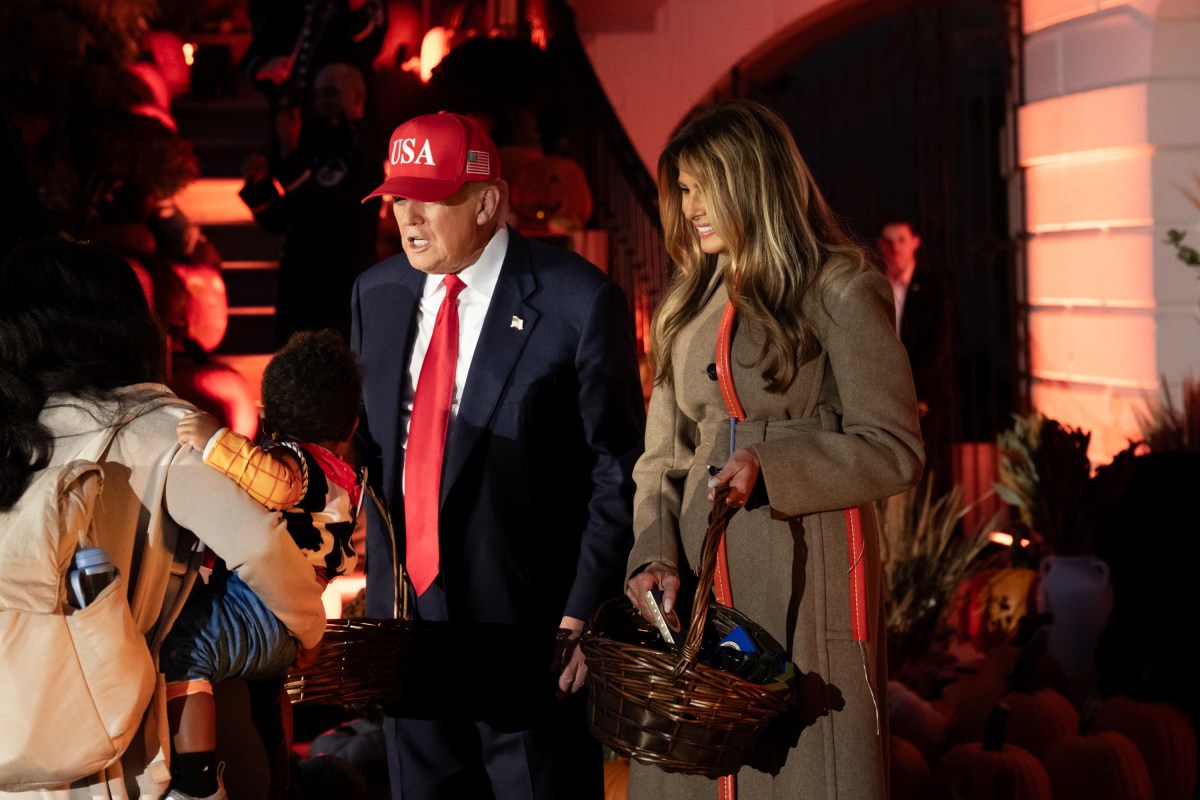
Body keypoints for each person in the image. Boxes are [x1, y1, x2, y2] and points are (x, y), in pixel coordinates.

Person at [623, 100, 924, 799]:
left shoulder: (842, 288)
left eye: (704, 186)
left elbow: (896, 447)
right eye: (685, 190)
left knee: (803, 769)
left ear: (751, 182)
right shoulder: (682, 308)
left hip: (810, 571)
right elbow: (660, 464)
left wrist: (776, 466)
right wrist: (653, 553)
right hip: (697, 585)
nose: (691, 206)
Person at [350, 111, 645, 800]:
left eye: (431, 198)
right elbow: (368, 447)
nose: (408, 216)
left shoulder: (579, 300)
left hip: (531, 637)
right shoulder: (376, 294)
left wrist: (582, 610)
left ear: (487, 202)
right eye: (397, 197)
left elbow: (618, 468)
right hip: (409, 633)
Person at [0, 236, 327, 798]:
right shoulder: (159, 428)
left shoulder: (15, 433)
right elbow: (260, 547)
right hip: (122, 743)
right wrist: (308, 628)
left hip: (18, 727)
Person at [157, 328, 365, 800]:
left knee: (183, 651)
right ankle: (281, 778)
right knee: (273, 692)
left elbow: (275, 485)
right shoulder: (347, 479)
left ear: (266, 419)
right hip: (291, 625)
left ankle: (197, 783)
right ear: (351, 426)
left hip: (255, 604)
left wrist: (216, 442)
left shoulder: (289, 459)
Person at [239, 62, 383, 347]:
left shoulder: (359, 148)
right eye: (317, 95)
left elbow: (319, 203)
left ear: (357, 96)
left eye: (331, 93)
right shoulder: (315, 145)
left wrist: (289, 150)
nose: (322, 103)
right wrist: (259, 184)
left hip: (337, 289)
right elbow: (283, 218)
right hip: (299, 287)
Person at [878, 217, 955, 495]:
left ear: (915, 243)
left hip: (921, 397)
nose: (895, 248)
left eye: (901, 240)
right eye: (889, 241)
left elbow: (939, 347)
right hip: (885, 398)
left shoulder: (932, 287)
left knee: (924, 475)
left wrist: (913, 392)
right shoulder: (875, 288)